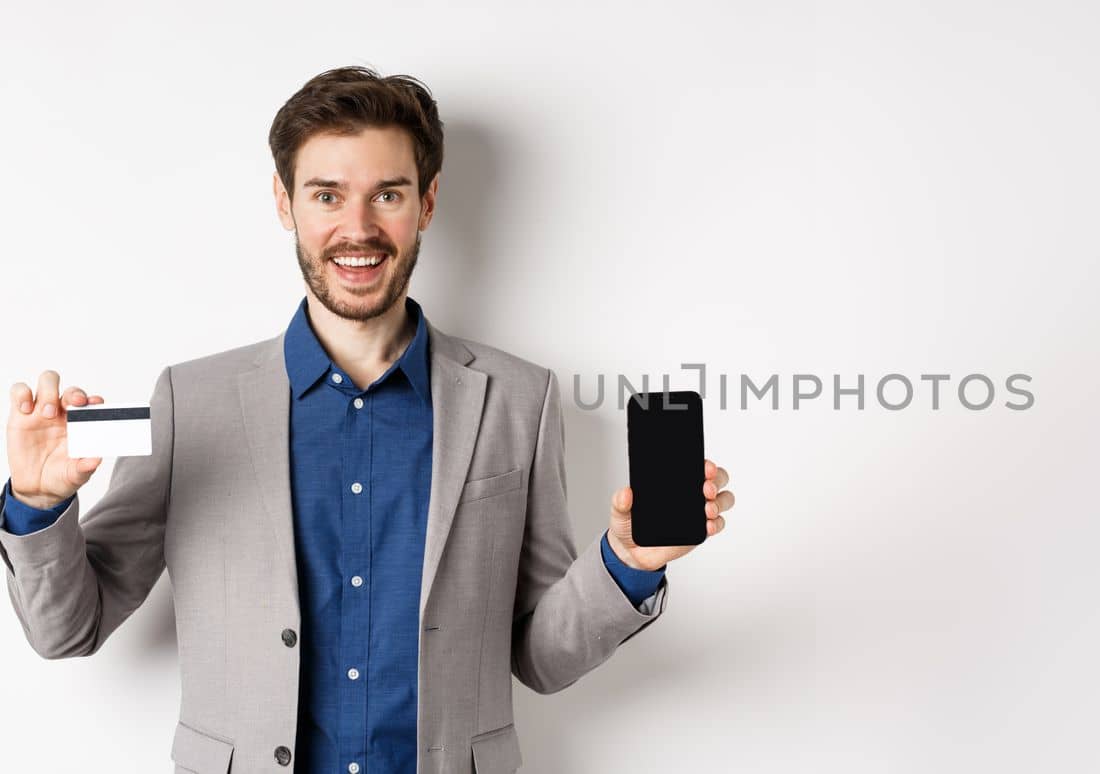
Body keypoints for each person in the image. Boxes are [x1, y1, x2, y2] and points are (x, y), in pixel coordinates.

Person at [0, 66, 734, 774]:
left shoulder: (519, 400)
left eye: (387, 194)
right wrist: (38, 505)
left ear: (429, 202)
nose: (358, 229)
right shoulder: (190, 402)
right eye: (327, 195)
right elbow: (69, 630)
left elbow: (540, 658)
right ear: (285, 204)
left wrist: (626, 564)